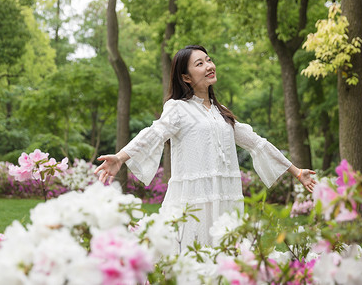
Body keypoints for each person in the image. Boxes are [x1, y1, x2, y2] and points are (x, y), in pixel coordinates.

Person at [94, 45, 316, 251]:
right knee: (191, 256)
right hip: (193, 202)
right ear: (185, 77)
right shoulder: (178, 109)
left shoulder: (222, 113)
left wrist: (296, 172)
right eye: (199, 63)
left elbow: (257, 142)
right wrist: (121, 157)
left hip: (226, 198)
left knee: (225, 257)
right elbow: (154, 133)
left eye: (208, 60)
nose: (209, 66)